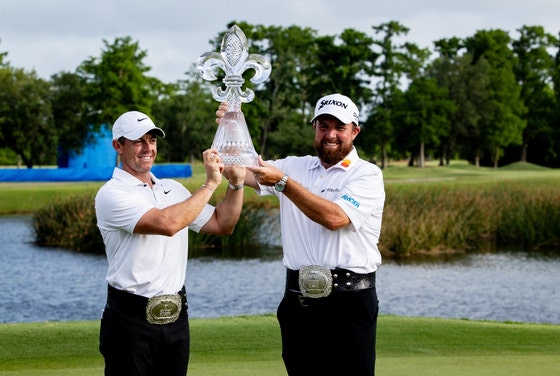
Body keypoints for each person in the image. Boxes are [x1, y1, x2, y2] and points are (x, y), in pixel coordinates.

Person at [217, 93, 385, 375]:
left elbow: (335, 218)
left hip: (349, 304)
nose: (330, 135)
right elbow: (237, 169)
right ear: (315, 128)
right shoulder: (295, 165)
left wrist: (283, 183)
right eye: (323, 126)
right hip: (298, 302)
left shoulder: (366, 174)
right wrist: (230, 127)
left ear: (355, 131)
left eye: (339, 127)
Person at [94, 110, 246, 376]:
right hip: (130, 322)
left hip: (176, 319)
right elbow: (166, 224)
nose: (147, 148)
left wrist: (236, 183)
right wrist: (210, 184)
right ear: (118, 145)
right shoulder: (111, 193)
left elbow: (223, 224)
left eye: (151, 140)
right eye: (138, 141)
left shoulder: (173, 189)